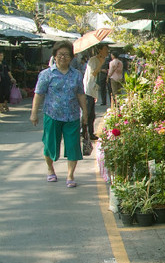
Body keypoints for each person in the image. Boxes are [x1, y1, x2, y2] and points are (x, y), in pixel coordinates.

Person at [30, 41, 88, 188]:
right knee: (49, 145)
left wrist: (85, 113)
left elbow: (81, 94)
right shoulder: (46, 75)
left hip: (72, 116)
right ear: (54, 56)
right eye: (60, 54)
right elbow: (38, 94)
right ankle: (50, 169)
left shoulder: (77, 75)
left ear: (72, 57)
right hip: (52, 115)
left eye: (67, 55)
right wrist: (34, 113)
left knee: (73, 146)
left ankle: (70, 175)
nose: (63, 57)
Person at [83, 45, 106, 140]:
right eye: (105, 49)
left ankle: (90, 133)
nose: (107, 51)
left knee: (92, 114)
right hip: (88, 89)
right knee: (88, 113)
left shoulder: (98, 60)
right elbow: (93, 73)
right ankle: (84, 132)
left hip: (93, 90)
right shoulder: (93, 60)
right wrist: (101, 64)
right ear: (100, 50)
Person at [0, 49, 17, 113]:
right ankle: (1, 107)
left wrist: (12, 78)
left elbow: (8, 71)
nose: (1, 57)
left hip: (6, 80)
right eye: (0, 55)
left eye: (2, 55)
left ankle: (5, 104)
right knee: (0, 94)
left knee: (7, 93)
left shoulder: (4, 63)